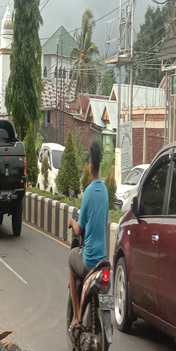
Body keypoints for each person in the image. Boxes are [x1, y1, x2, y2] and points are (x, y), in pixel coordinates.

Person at [68, 140, 108, 330]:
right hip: (103, 260)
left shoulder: (89, 192)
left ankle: (76, 316)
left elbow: (78, 230)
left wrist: (71, 221)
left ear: (90, 166)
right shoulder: (106, 192)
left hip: (89, 260)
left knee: (70, 258)